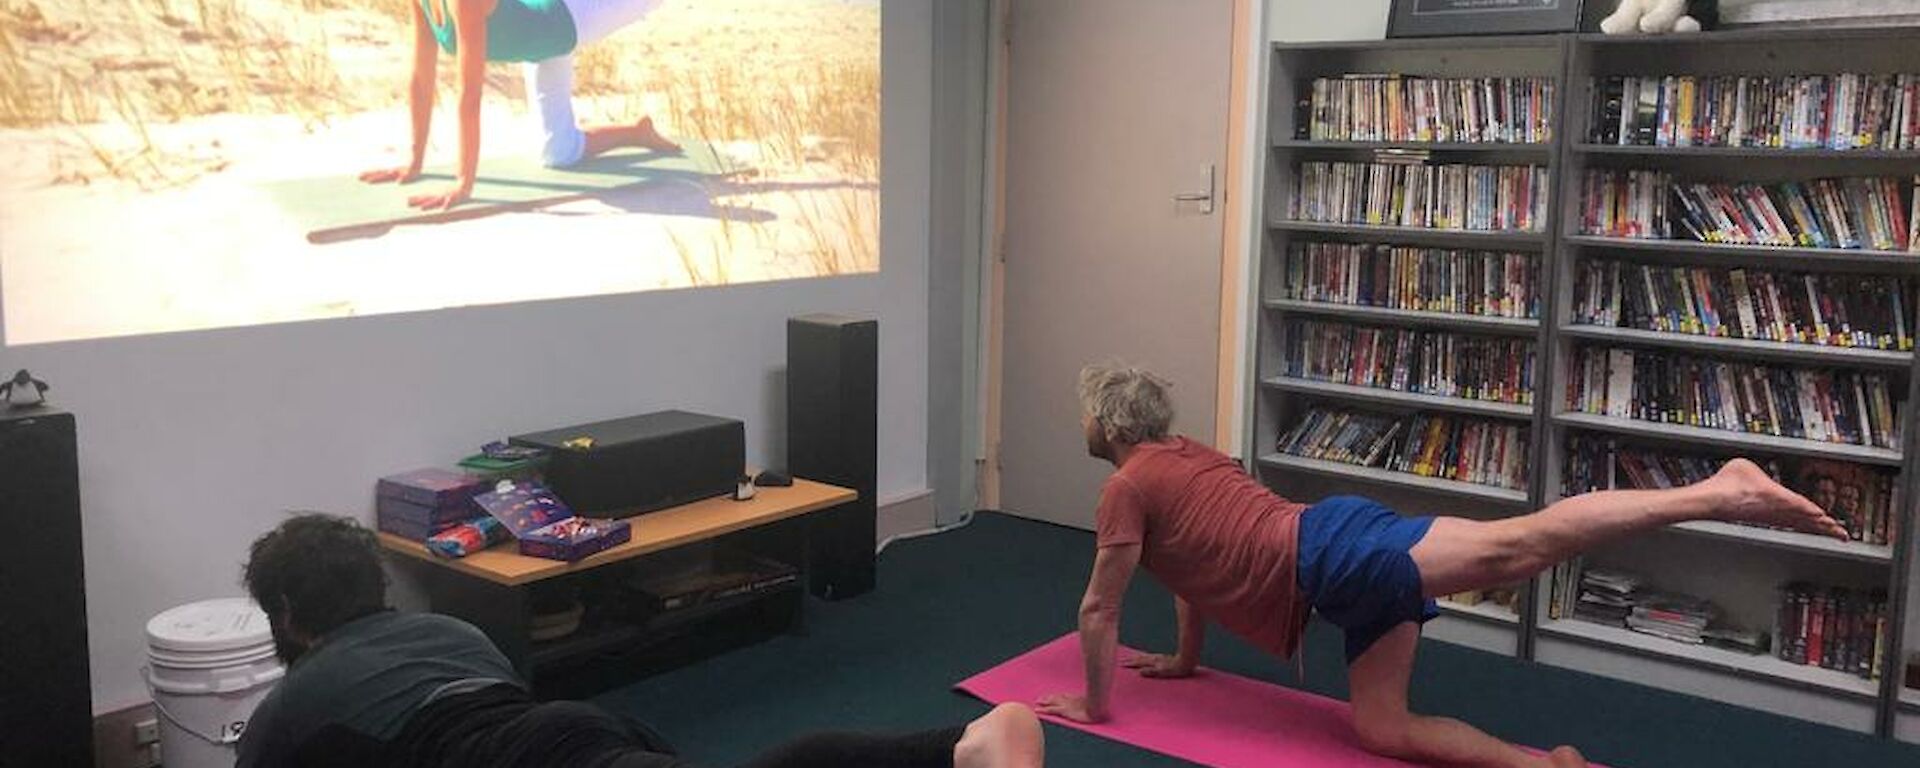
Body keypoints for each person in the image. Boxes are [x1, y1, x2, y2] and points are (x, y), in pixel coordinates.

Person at [1035, 362, 1846, 768]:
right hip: (1336, 562)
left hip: (1337, 556)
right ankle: (1544, 766)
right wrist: (1183, 660)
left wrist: (1093, 704)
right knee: (1381, 729)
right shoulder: (1181, 457)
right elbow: (1190, 566)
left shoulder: (1126, 486)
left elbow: (1098, 609)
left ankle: (1714, 491)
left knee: (1522, 544)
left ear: (1104, 423)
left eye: (1080, 413)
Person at [236, 513, 1045, 768]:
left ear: (290, 617)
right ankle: (960, 745)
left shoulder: (293, 706)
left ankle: (965, 747)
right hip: (579, 733)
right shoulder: (446, 630)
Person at [360, 0, 685, 211]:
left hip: (570, 19)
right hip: (543, 45)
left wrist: (464, 183)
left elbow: (469, 96)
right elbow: (421, 78)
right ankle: (637, 132)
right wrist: (414, 162)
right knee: (559, 153)